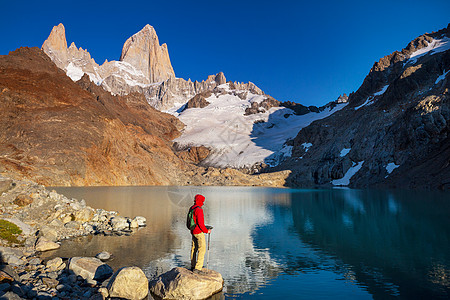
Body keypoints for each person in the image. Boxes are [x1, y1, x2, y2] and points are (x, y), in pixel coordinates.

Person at [189, 194, 211, 273]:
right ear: (200, 201)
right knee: (202, 249)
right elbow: (201, 223)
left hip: (193, 231)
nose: (203, 203)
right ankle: (198, 268)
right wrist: (206, 231)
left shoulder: (192, 208)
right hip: (198, 232)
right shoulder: (199, 210)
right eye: (202, 201)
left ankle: (192, 265)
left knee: (194, 248)